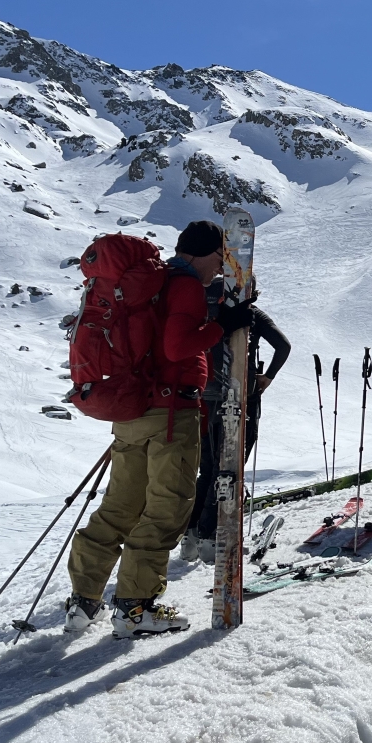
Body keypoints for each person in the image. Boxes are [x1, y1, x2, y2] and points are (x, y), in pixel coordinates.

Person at [63, 220, 253, 638]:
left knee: (120, 506)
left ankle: (83, 600)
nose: (221, 270)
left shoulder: (155, 282)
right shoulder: (186, 286)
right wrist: (225, 324)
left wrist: (218, 315)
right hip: (171, 413)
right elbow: (177, 346)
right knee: (167, 507)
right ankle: (135, 608)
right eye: (220, 261)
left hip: (134, 409)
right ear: (204, 254)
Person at [182, 286, 291, 564]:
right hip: (240, 395)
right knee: (228, 467)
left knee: (207, 468)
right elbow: (283, 345)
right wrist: (267, 377)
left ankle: (191, 537)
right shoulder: (251, 314)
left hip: (202, 396)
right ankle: (210, 535)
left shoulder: (203, 309)